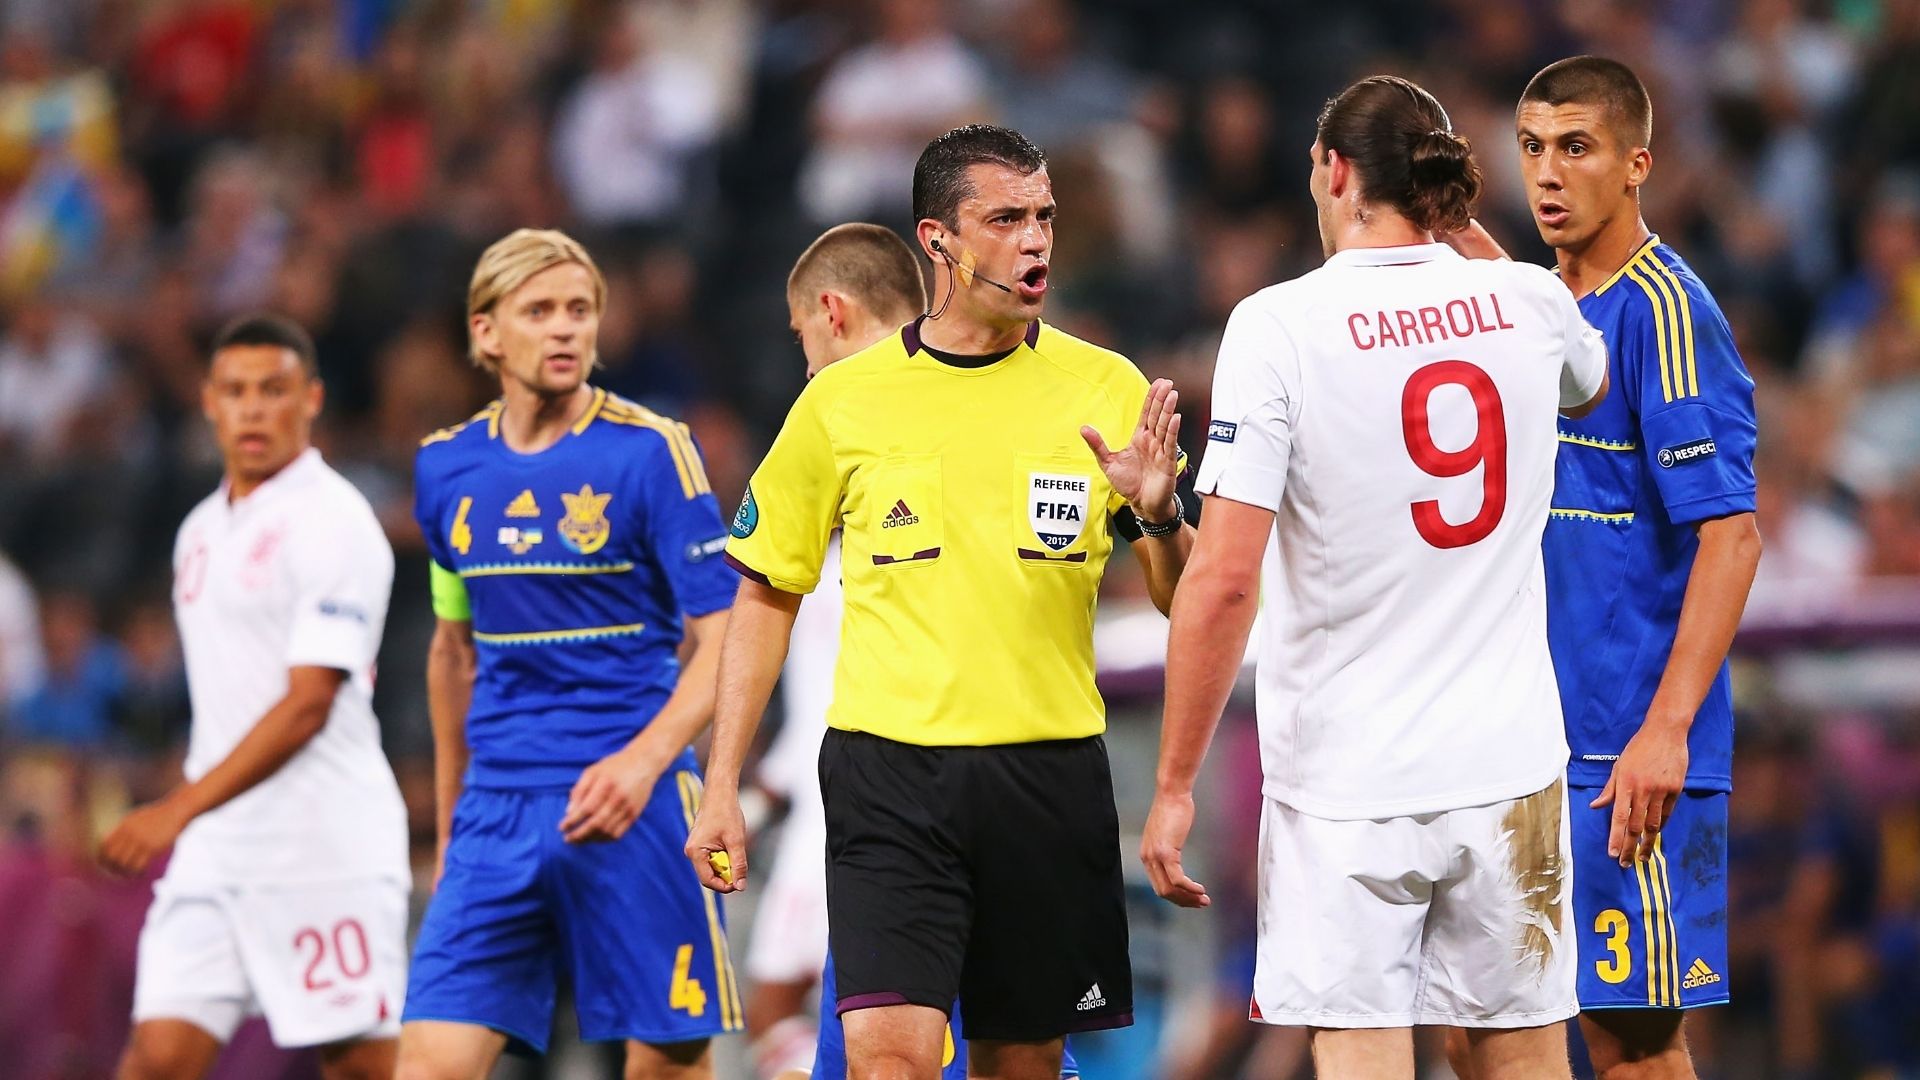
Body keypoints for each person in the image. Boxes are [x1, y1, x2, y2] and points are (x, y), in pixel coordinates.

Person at [688, 124, 1192, 1080]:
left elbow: (1184, 599)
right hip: (889, 777)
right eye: (1004, 219)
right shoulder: (844, 401)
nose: (1035, 240)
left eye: (1044, 217)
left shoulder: (1106, 387)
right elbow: (764, 595)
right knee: (889, 1061)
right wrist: (721, 785)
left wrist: (1161, 516)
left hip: (1046, 775)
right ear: (939, 241)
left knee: (1022, 1065)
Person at [1139, 75, 1612, 1080]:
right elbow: (1590, 378)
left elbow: (1224, 581)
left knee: (1361, 1056)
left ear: (1335, 171)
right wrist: (1469, 246)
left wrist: (1174, 783)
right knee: (1525, 1061)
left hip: (1346, 782)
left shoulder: (1279, 325)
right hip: (1509, 765)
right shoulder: (1529, 300)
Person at [1440, 57, 1762, 1080]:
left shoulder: (1666, 311)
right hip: (1523, 741)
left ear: (1636, 164)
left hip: (1622, 752)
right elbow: (1541, 320)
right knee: (1479, 1036)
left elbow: (1732, 537)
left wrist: (1665, 732)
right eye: (1532, 147)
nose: (1547, 172)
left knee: (1633, 1047)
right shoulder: (1544, 302)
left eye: (1576, 147)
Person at [397, 229, 741, 1080]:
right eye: (540, 310)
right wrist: (452, 821)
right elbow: (452, 652)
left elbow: (727, 637)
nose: (564, 328)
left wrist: (643, 762)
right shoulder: (444, 467)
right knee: (430, 1064)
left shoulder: (651, 451)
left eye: (580, 310)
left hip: (636, 802)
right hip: (496, 810)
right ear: (486, 332)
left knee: (666, 1065)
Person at [754, 223, 1080, 1080]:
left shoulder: (858, 424)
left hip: (914, 807)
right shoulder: (989, 412)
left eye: (802, 338)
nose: (805, 366)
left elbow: (753, 606)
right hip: (950, 805)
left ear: (830, 314)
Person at [102, 313, 407, 1080]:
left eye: (273, 390)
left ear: (312, 399)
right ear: (209, 402)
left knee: (364, 1068)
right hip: (218, 849)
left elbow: (308, 705)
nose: (253, 409)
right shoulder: (200, 529)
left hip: (321, 846)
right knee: (157, 1059)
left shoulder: (336, 522)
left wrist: (176, 808)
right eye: (235, 391)